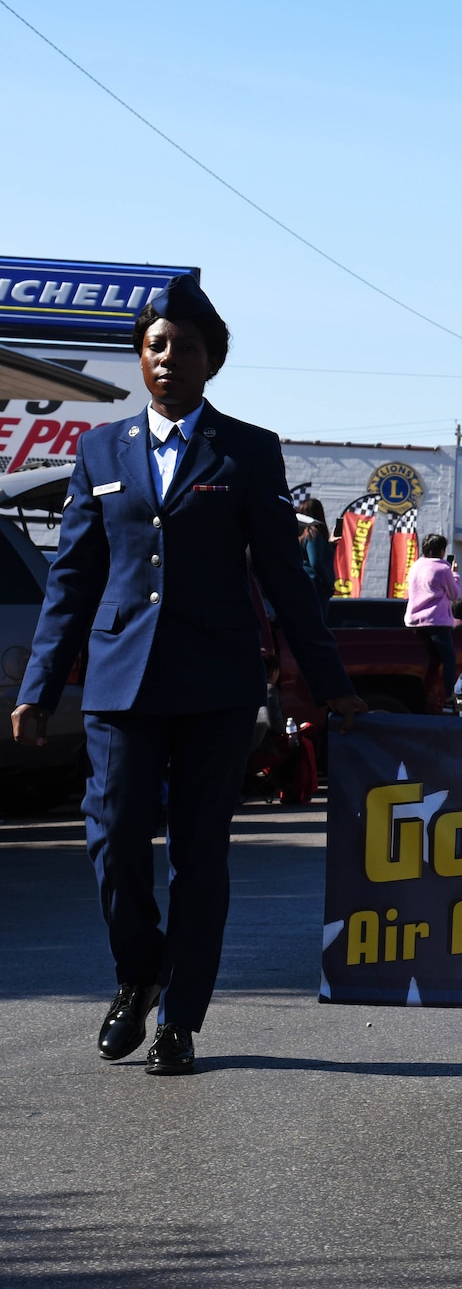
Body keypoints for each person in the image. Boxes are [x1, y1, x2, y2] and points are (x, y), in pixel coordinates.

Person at [11, 273, 366, 1076]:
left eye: (188, 347)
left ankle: (179, 1017)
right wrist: (38, 686)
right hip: (117, 684)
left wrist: (330, 679)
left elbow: (284, 576)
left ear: (214, 361)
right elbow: (71, 576)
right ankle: (138, 972)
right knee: (112, 840)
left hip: (215, 686)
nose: (170, 358)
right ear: (140, 357)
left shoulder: (246, 450)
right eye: (156, 345)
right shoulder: (101, 451)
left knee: (201, 855)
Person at [402, 533, 461, 690]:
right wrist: (455, 574)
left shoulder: (415, 566)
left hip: (414, 621)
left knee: (428, 660)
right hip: (436, 622)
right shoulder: (443, 569)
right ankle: (449, 695)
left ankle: (422, 691)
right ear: (442, 550)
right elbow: (455, 595)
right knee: (448, 658)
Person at [296, 496, 336, 615]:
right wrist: (328, 583)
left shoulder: (300, 535)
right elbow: (316, 562)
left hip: (302, 583)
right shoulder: (313, 534)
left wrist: (330, 544)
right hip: (315, 586)